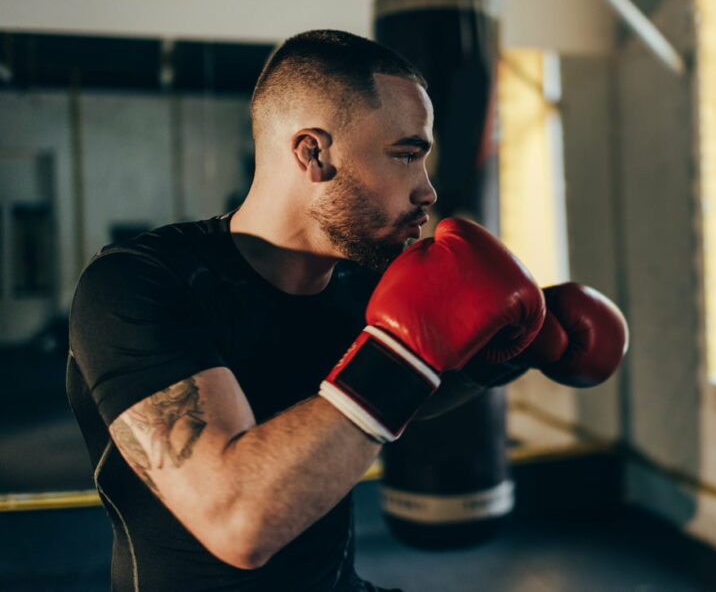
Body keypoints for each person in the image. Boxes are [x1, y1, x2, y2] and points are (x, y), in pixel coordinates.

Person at [67, 29, 628, 591]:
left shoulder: (360, 280)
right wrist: (404, 351)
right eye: (406, 154)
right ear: (313, 153)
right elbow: (238, 523)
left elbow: (405, 394)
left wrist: (508, 351)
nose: (428, 191)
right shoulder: (139, 284)